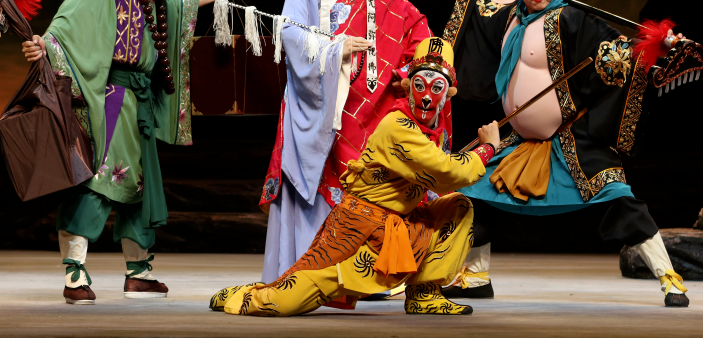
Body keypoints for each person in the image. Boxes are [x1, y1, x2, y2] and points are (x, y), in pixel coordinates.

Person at [438, 0, 690, 307]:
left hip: (570, 140)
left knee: (618, 198)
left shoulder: (573, 20)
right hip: (518, 141)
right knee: (475, 194)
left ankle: (670, 279)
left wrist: (656, 46)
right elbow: (479, 13)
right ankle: (475, 278)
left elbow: (618, 53)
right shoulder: (507, 19)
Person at [21, 0, 239, 305]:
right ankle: (74, 273)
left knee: (140, 185)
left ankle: (138, 274)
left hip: (141, 99)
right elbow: (70, 21)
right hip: (110, 96)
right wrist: (45, 45)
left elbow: (176, 3)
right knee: (99, 178)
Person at [212, 38, 499, 316]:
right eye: (419, 85)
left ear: (448, 95)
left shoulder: (430, 131)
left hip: (399, 227)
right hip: (358, 228)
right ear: (408, 88)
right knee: (286, 300)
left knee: (457, 207)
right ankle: (244, 295)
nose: (426, 97)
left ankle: (425, 295)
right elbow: (447, 171)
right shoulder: (397, 127)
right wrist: (488, 148)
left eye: (437, 88)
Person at [259, 0, 437, 283]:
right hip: (315, 104)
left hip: (366, 110)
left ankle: (356, 281)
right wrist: (336, 47)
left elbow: (417, 29)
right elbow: (291, 35)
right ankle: (302, 274)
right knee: (312, 189)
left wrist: (408, 75)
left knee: (365, 193)